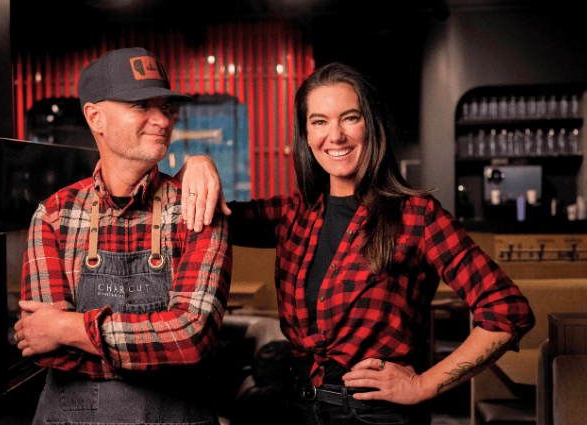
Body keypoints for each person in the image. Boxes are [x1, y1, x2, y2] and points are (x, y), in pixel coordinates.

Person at [179, 62, 534, 424]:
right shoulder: (294, 213)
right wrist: (197, 161)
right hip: (297, 406)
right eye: (319, 121)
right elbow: (203, 214)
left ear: (371, 126)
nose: (335, 135)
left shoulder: (417, 215)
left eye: (349, 117)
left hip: (375, 415)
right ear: (305, 134)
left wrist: (424, 385)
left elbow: (507, 311)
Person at [13, 47, 232, 425]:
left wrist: (66, 329)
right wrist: (158, 354)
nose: (162, 120)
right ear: (95, 117)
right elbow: (42, 348)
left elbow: (191, 338)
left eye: (166, 107)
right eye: (141, 105)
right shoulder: (54, 215)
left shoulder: (197, 207)